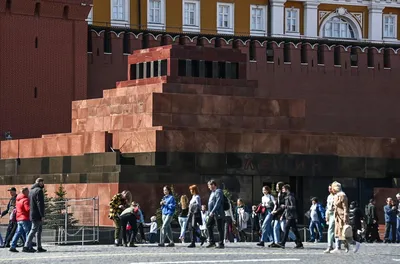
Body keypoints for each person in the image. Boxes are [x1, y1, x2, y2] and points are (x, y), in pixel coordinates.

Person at [331, 181, 360, 253]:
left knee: (345, 234)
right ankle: (338, 247)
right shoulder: (336, 195)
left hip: (342, 217)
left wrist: (345, 217)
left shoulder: (342, 195)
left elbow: (345, 207)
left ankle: (355, 243)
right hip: (337, 217)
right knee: (337, 233)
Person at [276, 184, 303, 249]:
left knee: (286, 228)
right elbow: (286, 209)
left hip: (291, 216)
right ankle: (299, 243)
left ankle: (283, 243)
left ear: (287, 189)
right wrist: (282, 215)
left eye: (283, 189)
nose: (282, 190)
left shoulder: (290, 197)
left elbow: (293, 207)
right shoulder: (287, 197)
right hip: (288, 215)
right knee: (295, 230)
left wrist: (285, 206)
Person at [24, 178, 46, 253]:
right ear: (39, 182)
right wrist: (42, 215)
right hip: (37, 214)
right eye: (42, 182)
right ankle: (26, 246)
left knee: (38, 231)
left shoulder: (31, 191)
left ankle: (39, 247)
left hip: (32, 213)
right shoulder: (39, 191)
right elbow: (40, 204)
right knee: (34, 230)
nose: (43, 184)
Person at [9, 187, 31, 253]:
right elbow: (28, 209)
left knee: (18, 233)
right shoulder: (26, 199)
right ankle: (28, 247)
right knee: (28, 233)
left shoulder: (18, 199)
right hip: (25, 218)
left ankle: (12, 246)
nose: (29, 192)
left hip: (19, 218)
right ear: (25, 192)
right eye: (28, 191)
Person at [206, 179, 225, 249]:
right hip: (212, 214)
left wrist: (213, 211)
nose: (208, 187)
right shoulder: (212, 193)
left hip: (217, 213)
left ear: (213, 185)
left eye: (209, 185)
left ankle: (221, 243)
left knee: (220, 228)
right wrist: (209, 212)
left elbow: (218, 202)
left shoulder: (218, 191)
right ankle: (212, 242)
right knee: (208, 225)